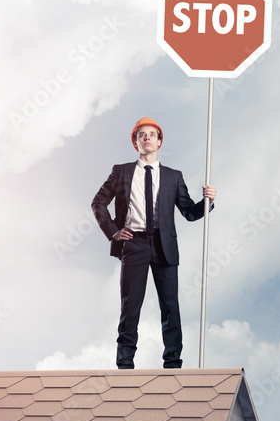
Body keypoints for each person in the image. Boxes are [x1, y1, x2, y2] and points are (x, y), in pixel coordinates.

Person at [91, 117, 216, 369]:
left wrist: (208, 202)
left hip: (164, 245)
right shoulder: (121, 171)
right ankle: (125, 363)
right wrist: (114, 232)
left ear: (159, 141)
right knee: (130, 304)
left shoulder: (173, 176)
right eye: (141, 135)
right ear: (135, 142)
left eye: (151, 134)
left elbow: (189, 212)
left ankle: (173, 363)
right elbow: (98, 202)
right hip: (133, 244)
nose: (146, 137)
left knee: (170, 306)